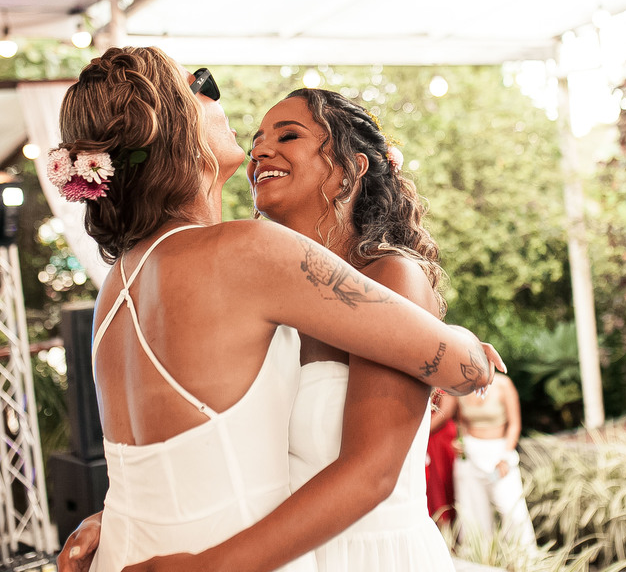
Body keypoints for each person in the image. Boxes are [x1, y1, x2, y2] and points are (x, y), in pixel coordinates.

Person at [51, 48, 500, 572]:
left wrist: (121, 519)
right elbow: (462, 366)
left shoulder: (116, 286)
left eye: (288, 136)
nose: (259, 147)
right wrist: (458, 344)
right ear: (174, 126)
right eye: (198, 85)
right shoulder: (250, 257)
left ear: (351, 169)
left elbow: (187, 454)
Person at [452, 372, 536, 549]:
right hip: (470, 455)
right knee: (473, 513)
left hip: (499, 453)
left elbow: (514, 425)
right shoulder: (459, 384)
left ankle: (524, 558)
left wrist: (505, 457)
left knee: (512, 511)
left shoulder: (503, 384)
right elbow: (461, 422)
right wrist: (460, 442)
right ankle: (479, 557)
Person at [425, 393, 458, 527]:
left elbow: (446, 411)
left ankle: (447, 532)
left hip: (438, 437)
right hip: (424, 438)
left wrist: (417, 432)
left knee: (440, 490)